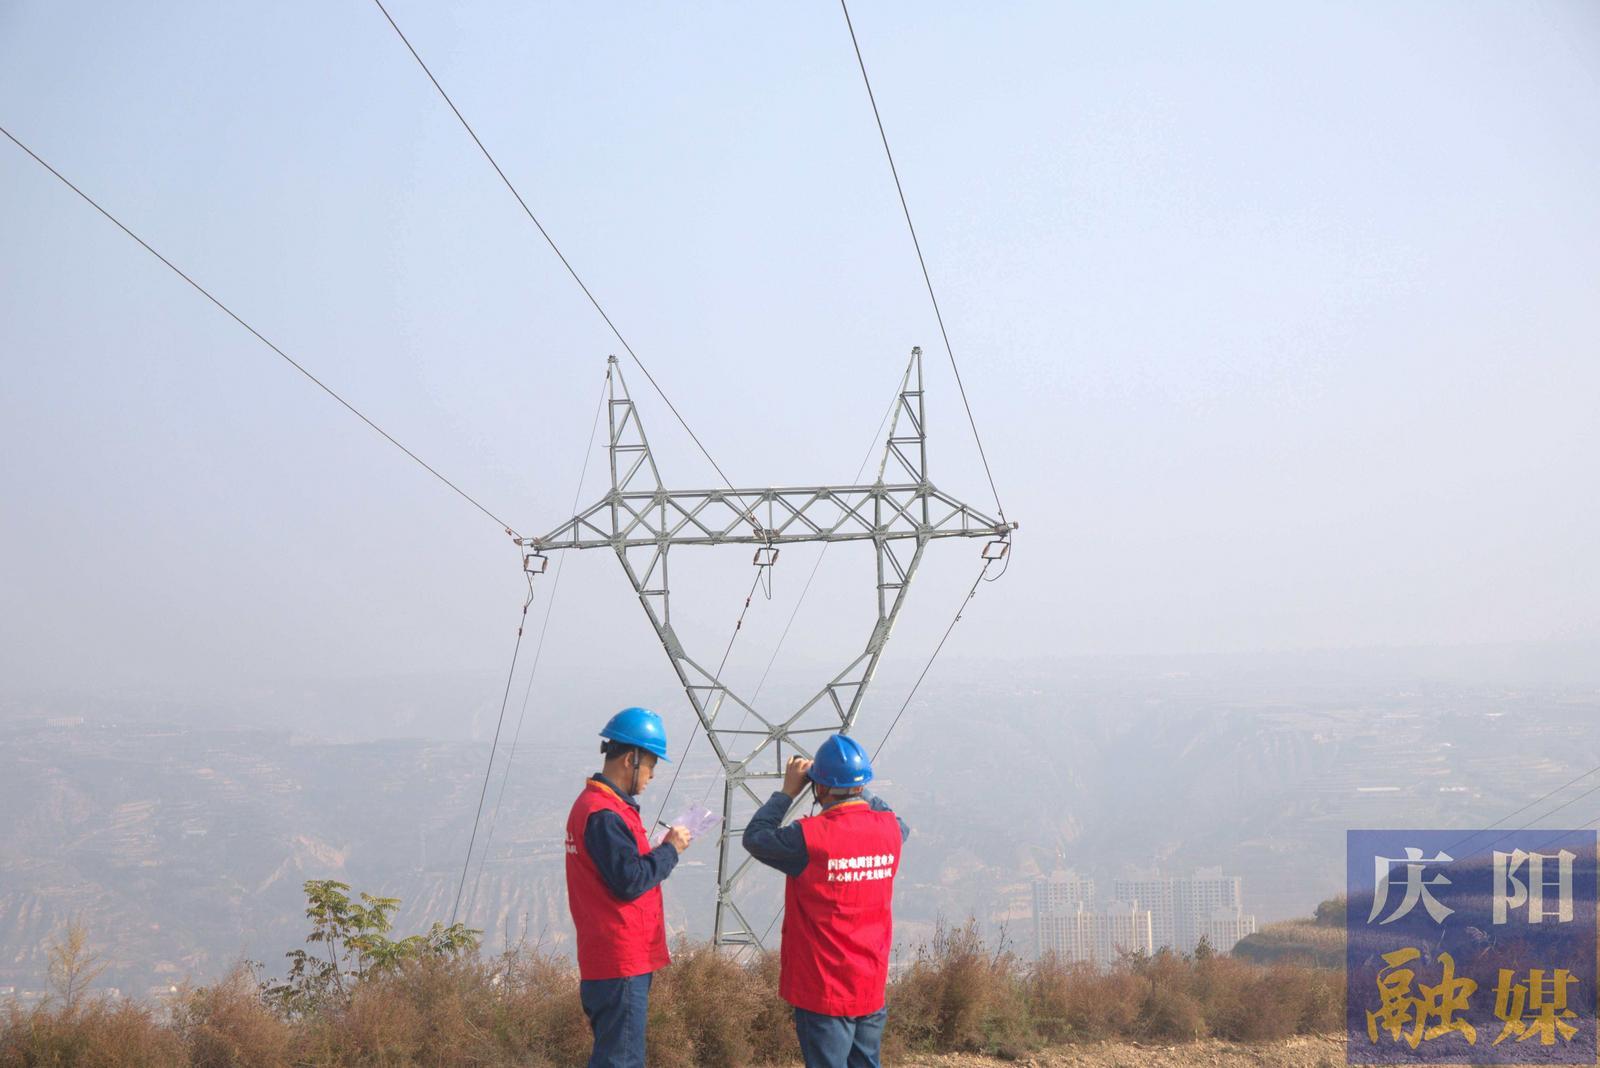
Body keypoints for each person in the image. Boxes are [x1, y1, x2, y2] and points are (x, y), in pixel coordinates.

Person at [742, 733, 910, 1068]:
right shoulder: (891, 830)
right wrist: (857, 787)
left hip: (824, 989)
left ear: (818, 787)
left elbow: (755, 837)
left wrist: (787, 792)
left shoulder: (808, 838)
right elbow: (890, 814)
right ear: (862, 785)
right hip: (870, 983)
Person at [565, 706, 693, 1068]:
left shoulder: (600, 807)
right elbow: (630, 880)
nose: (652, 774)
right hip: (619, 959)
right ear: (630, 759)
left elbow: (621, 870)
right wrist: (670, 850)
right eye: (651, 764)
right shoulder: (605, 814)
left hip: (611, 957)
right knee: (621, 1060)